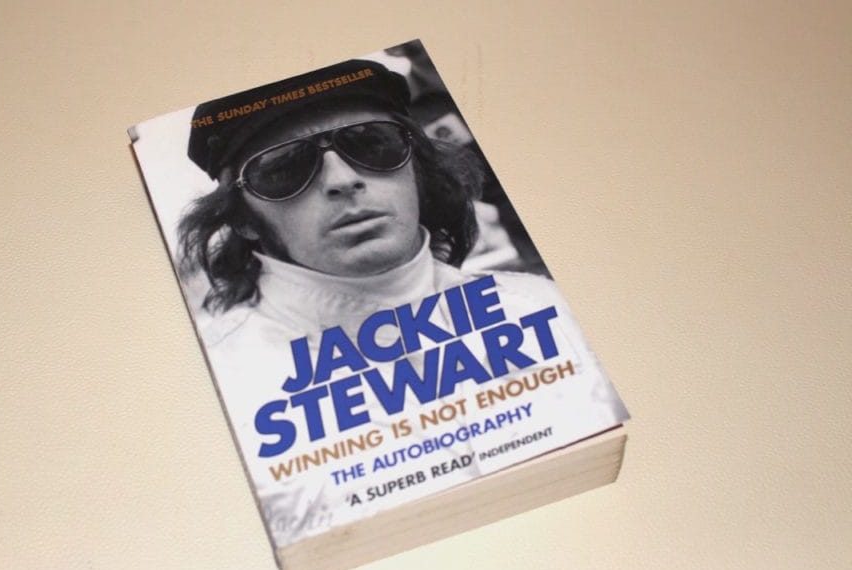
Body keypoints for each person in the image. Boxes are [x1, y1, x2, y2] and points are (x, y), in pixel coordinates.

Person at [176, 59, 625, 546]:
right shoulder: (223, 391)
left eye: (374, 144)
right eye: (283, 168)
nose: (342, 179)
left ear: (417, 170)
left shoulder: (544, 309)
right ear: (243, 219)